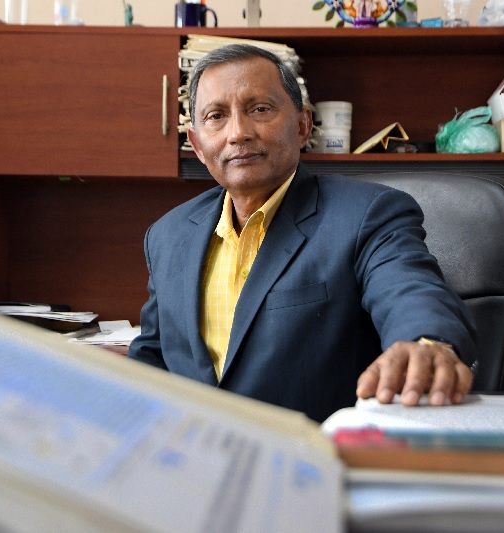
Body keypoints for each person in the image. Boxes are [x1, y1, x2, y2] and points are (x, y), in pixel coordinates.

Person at [128, 44, 477, 423]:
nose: (238, 133)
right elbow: (152, 356)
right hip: (192, 451)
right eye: (216, 116)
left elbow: (410, 289)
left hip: (317, 451)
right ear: (197, 145)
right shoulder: (168, 235)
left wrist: (426, 344)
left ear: (302, 126)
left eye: (260, 109)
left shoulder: (367, 214)